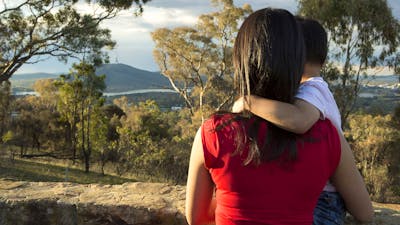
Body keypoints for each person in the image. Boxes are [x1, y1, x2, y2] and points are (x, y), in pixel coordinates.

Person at [185, 7, 373, 225]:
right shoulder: (328, 136)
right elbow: (365, 213)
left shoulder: (213, 133)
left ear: (242, 60)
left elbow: (197, 218)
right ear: (297, 59)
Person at [232, 17, 346, 224]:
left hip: (324, 199)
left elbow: (299, 121)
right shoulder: (313, 89)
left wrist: (249, 102)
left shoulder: (313, 89)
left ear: (294, 52)